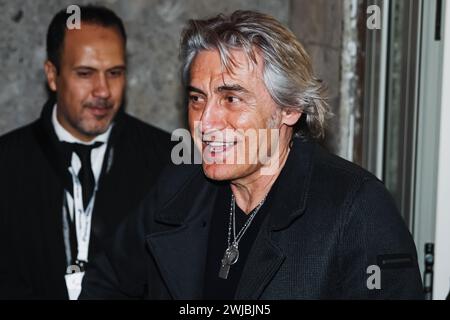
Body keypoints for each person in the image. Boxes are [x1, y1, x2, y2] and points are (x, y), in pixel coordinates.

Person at [81, 10, 424, 299]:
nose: (205, 122)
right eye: (197, 98)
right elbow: (106, 282)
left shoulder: (356, 207)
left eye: (231, 98)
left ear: (290, 108)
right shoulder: (180, 186)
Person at [0, 5, 172, 299]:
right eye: (85, 73)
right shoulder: (6, 163)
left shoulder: (165, 160)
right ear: (52, 75)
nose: (103, 90)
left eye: (115, 73)